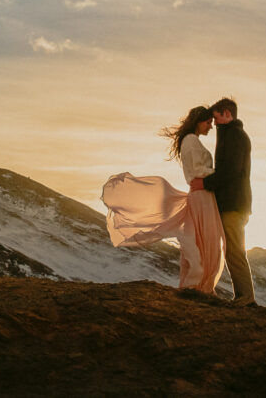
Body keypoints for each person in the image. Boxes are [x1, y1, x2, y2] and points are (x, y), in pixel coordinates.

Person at [101, 106, 225, 294]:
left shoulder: (191, 140)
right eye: (208, 123)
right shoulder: (191, 140)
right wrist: (219, 176)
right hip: (202, 196)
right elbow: (198, 170)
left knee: (201, 240)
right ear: (199, 122)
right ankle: (199, 285)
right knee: (205, 239)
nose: (210, 127)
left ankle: (198, 284)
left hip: (202, 195)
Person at [202, 97, 255, 305]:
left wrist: (206, 184)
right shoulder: (231, 135)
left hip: (234, 204)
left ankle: (246, 297)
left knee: (234, 250)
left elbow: (230, 170)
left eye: (216, 118)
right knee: (232, 249)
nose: (214, 124)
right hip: (235, 202)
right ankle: (243, 296)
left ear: (227, 113)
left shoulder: (234, 136)